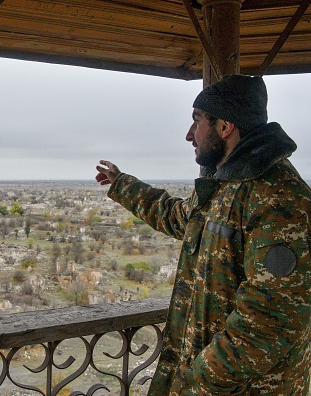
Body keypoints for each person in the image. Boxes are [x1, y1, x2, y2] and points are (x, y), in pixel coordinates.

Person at [95, 75, 311, 395]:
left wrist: (193, 381)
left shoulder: (279, 200)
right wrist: (122, 184)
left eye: (197, 121)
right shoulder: (227, 186)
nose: (188, 135)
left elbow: (267, 325)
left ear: (224, 126)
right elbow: (179, 217)